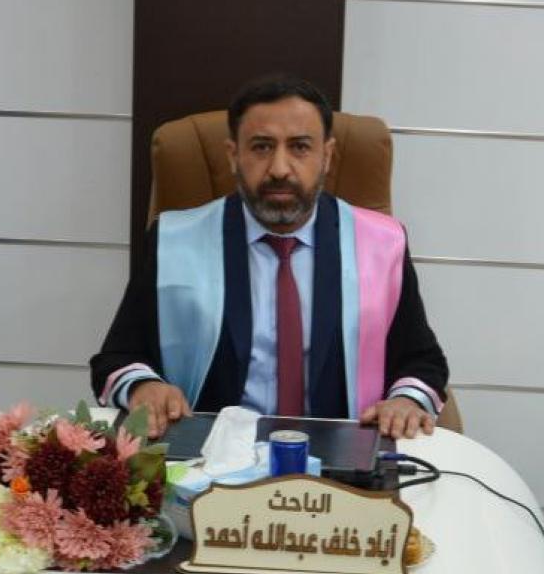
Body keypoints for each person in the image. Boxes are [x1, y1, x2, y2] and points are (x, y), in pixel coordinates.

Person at [90, 74, 449, 439]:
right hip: (208, 456)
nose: (279, 168)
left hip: (341, 456)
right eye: (261, 147)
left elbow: (421, 360)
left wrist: (405, 400)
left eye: (300, 147)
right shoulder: (173, 241)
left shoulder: (382, 244)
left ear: (326, 156)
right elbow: (117, 358)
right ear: (233, 156)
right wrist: (144, 387)